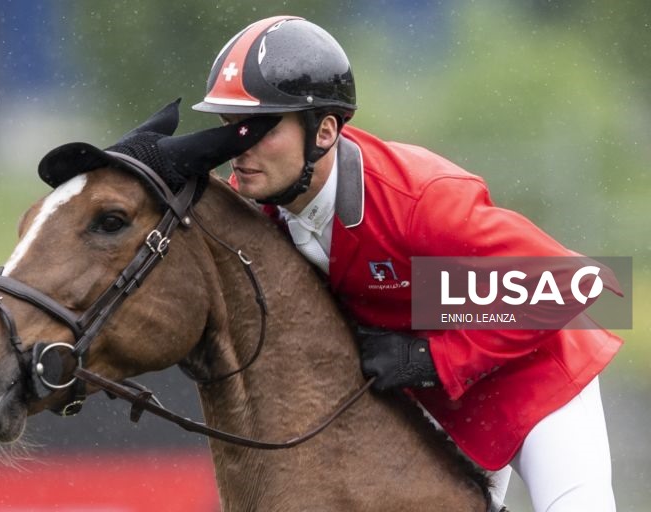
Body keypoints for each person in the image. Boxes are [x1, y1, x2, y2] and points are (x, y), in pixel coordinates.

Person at [192, 15, 621, 512]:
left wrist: (428, 359)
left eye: (259, 128)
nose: (237, 148)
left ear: (325, 131)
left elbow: (579, 285)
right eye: (229, 127)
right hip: (440, 401)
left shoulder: (419, 203)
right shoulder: (264, 208)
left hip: (536, 378)